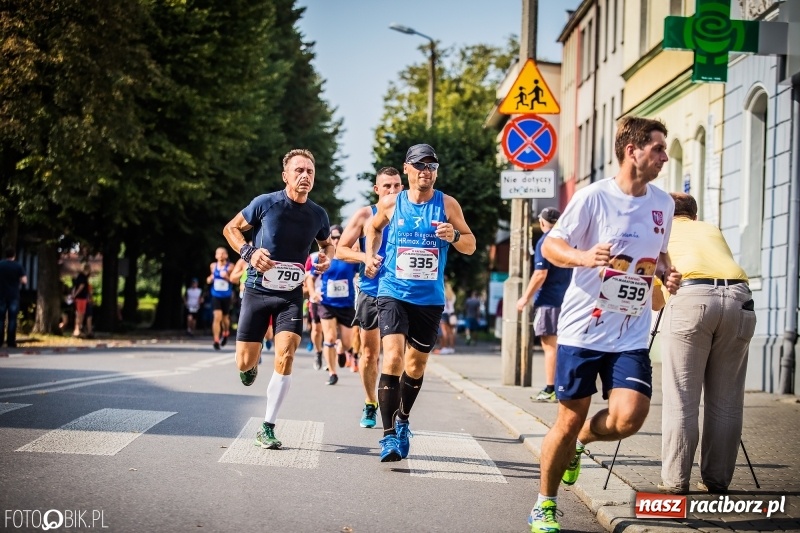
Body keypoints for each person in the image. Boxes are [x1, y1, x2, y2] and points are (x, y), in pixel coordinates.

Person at [527, 116, 683, 533]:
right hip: (581, 329)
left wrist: (667, 273)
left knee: (629, 417)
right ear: (632, 151)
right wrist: (584, 257)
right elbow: (553, 245)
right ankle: (545, 502)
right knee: (569, 417)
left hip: (630, 330)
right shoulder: (593, 197)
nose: (664, 157)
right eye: (658, 148)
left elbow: (661, 254)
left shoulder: (663, 204)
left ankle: (581, 446)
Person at [365, 143, 476, 462]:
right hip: (392, 291)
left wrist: (454, 236)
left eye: (432, 166)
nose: (426, 170)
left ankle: (403, 420)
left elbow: (470, 244)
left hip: (429, 298)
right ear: (407, 169)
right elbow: (372, 229)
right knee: (393, 358)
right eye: (420, 165)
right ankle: (387, 438)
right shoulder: (390, 203)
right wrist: (371, 256)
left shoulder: (447, 204)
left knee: (416, 365)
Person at [223, 148, 333, 450]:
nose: (305, 176)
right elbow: (230, 228)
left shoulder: (318, 214)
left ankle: (267, 426)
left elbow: (327, 244)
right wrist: (249, 252)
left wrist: (326, 259)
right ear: (286, 175)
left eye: (309, 171)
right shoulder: (265, 204)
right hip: (257, 291)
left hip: (290, 296)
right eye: (298, 170)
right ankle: (250, 364)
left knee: (286, 355)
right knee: (244, 362)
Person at [659, 193, 756, 495]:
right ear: (694, 216)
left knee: (682, 397)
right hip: (739, 299)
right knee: (726, 402)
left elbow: (653, 297)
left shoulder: (661, 233)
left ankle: (675, 481)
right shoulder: (712, 230)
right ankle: (716, 481)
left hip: (691, 298)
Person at [337, 166, 404, 428]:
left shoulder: (411, 213)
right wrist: (365, 257)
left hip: (401, 292)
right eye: (387, 186)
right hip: (371, 290)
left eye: (397, 185)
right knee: (369, 353)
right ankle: (369, 402)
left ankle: (395, 408)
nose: (393, 190)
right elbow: (340, 250)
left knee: (397, 354)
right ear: (377, 190)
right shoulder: (366, 214)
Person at [516, 207, 573, 403]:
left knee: (550, 347)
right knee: (562, 346)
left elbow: (540, 274)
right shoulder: (567, 242)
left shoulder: (544, 242)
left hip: (549, 301)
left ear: (542, 222)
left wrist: (525, 298)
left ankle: (551, 388)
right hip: (566, 300)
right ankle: (562, 386)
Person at [315, 224, 358, 385]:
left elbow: (363, 271)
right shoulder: (323, 256)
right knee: (330, 337)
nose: (336, 240)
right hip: (327, 303)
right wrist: (313, 293)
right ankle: (332, 373)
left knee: (347, 343)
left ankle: (341, 350)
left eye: (339, 237)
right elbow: (310, 278)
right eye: (332, 237)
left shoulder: (350, 257)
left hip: (346, 305)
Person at [207, 247, 234, 350]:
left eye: (222, 253)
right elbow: (209, 278)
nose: (220, 255)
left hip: (226, 296)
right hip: (215, 295)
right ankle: (216, 340)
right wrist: (210, 279)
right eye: (218, 253)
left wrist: (226, 276)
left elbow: (234, 280)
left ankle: (226, 332)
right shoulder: (213, 266)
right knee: (217, 317)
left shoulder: (230, 266)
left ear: (226, 255)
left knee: (225, 319)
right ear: (215, 255)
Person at [0, 248, 27, 348]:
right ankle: (11, 341)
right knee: (12, 319)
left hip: (1, 294)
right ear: (14, 255)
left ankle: (0, 341)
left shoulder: (1, 264)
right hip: (13, 295)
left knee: (0, 319)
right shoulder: (18, 265)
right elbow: (24, 280)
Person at [304, 251, 325, 369]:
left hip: (334, 298)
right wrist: (311, 292)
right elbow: (306, 277)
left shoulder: (342, 255)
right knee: (316, 329)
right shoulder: (313, 257)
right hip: (316, 297)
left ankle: (331, 355)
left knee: (330, 331)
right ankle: (318, 352)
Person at [71, 263, 92, 337]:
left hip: (80, 298)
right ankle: (77, 330)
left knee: (79, 314)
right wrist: (75, 294)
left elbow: (75, 287)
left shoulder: (79, 277)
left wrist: (73, 294)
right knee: (80, 314)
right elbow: (81, 287)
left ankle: (78, 330)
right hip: (81, 298)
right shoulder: (83, 277)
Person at [437, 281, 457, 354]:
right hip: (451, 314)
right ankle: (451, 348)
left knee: (444, 332)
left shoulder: (442, 294)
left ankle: (444, 347)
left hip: (444, 313)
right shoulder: (452, 295)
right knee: (451, 332)